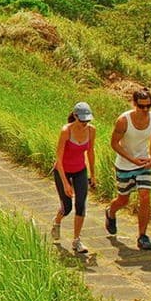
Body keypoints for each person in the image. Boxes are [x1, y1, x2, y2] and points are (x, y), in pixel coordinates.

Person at [105, 88, 151, 251]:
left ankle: (142, 236)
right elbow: (114, 144)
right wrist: (131, 159)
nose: (145, 110)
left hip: (143, 163)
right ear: (134, 104)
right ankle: (110, 212)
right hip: (125, 164)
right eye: (141, 106)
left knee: (145, 195)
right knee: (123, 200)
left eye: (148, 106)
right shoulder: (123, 120)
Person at [50, 101, 96, 254]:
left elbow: (90, 153)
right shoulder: (66, 131)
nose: (84, 124)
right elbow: (59, 159)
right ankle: (57, 222)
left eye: (87, 121)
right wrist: (65, 184)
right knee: (67, 207)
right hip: (62, 170)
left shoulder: (91, 131)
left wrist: (93, 175)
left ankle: (76, 240)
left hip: (80, 170)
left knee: (81, 204)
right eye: (82, 120)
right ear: (75, 116)